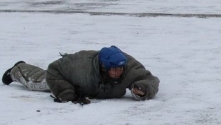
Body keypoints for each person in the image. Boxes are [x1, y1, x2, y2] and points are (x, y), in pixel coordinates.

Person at [2, 46, 159, 103]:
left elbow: (150, 79)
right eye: (114, 69)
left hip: (86, 86)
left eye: (120, 69)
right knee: (38, 82)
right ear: (103, 67)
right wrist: (65, 91)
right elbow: (53, 69)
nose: (118, 73)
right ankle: (17, 70)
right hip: (66, 77)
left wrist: (143, 88)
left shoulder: (128, 67)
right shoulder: (80, 66)